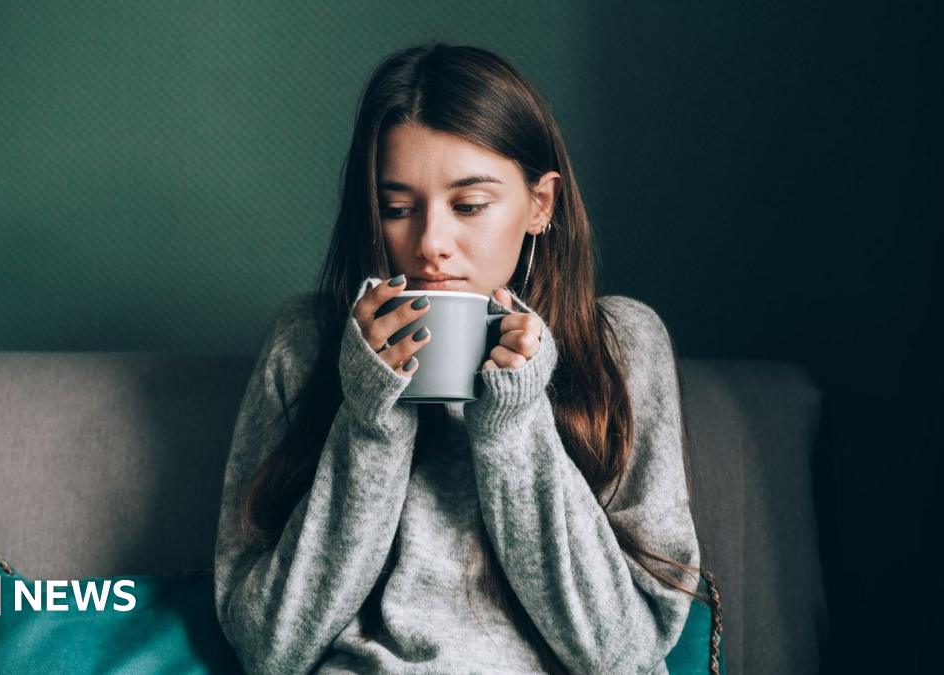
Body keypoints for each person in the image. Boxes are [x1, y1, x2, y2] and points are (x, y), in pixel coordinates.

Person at [213, 41, 714, 674]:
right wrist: (370, 417)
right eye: (397, 209)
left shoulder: (623, 344)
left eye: (470, 206)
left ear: (541, 204)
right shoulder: (306, 341)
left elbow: (627, 653)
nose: (430, 244)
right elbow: (268, 647)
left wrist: (513, 421)